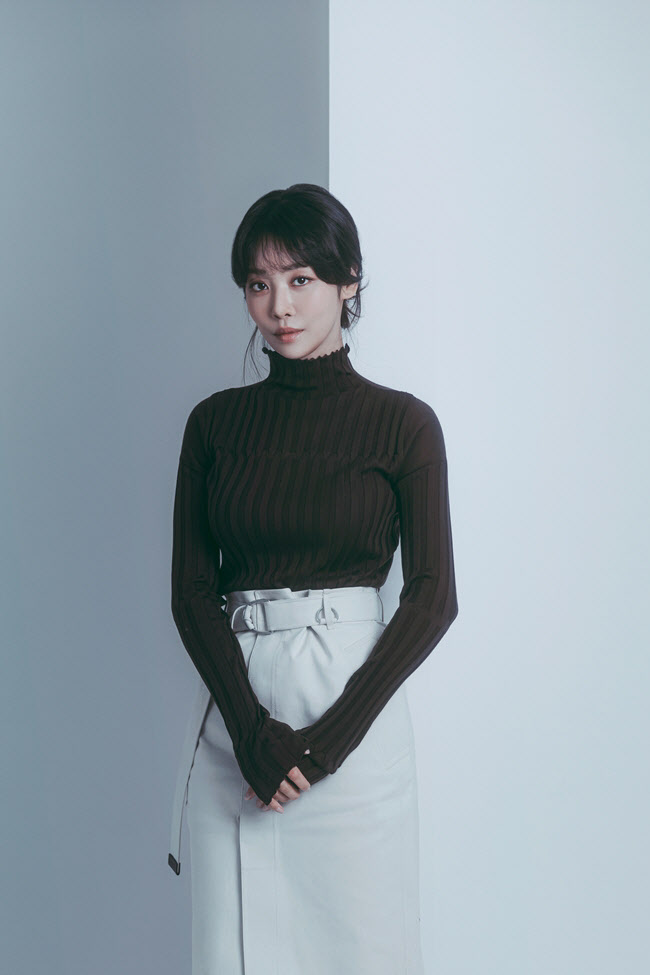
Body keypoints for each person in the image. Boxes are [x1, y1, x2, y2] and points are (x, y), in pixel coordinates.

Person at [168, 183, 459, 974]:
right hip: (235, 721)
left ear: (348, 279)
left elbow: (433, 595)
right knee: (233, 955)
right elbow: (191, 592)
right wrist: (250, 733)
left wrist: (325, 746)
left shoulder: (404, 423)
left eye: (301, 279)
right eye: (259, 284)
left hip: (352, 722)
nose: (280, 306)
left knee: (361, 948)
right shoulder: (214, 424)